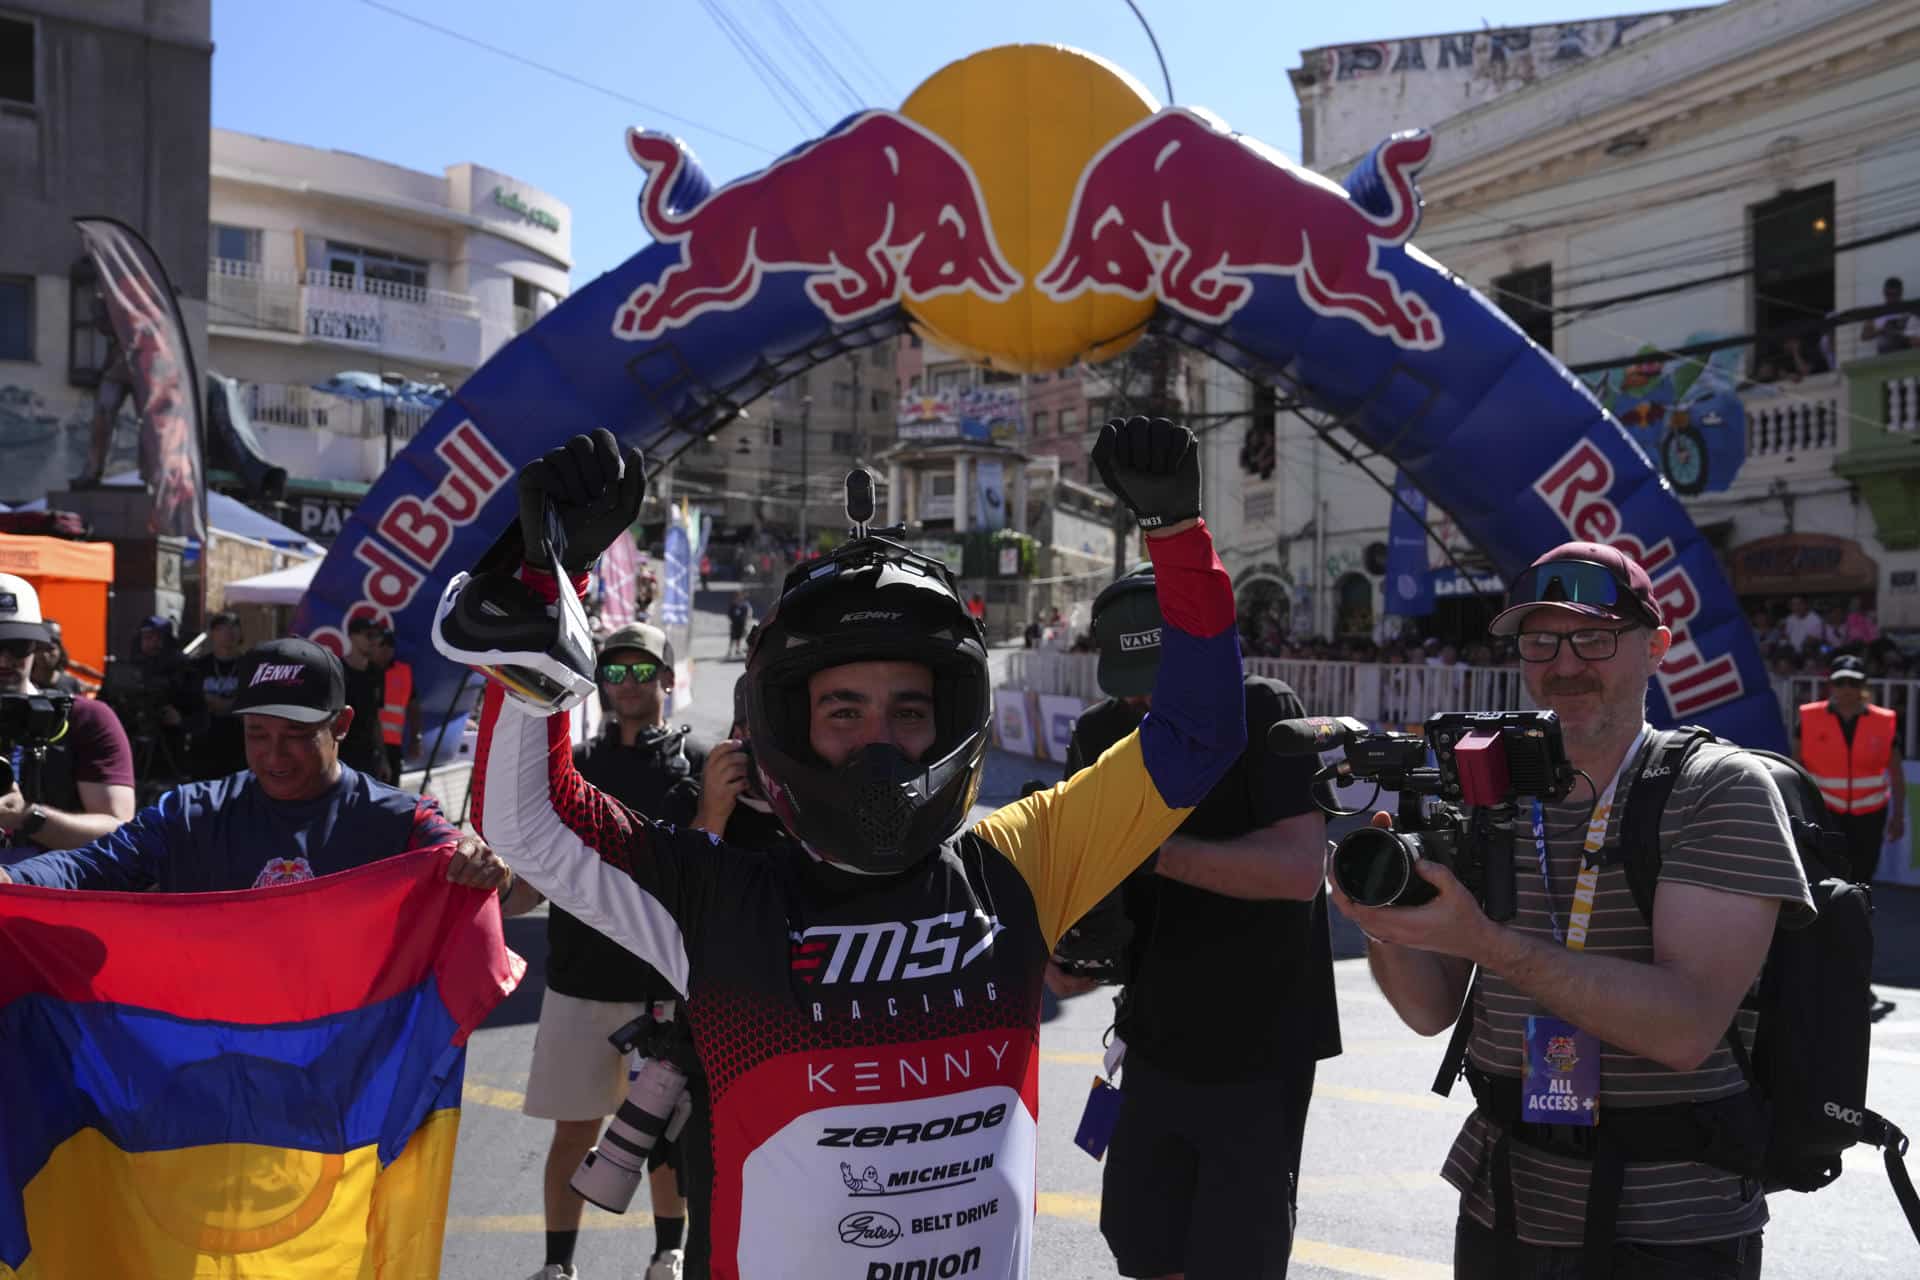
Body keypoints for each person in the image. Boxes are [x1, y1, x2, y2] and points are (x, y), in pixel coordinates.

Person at [463, 420, 1244, 1278]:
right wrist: (546, 581)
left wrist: (1178, 540)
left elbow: (1198, 738)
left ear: (949, 723)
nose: (881, 743)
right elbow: (525, 817)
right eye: (844, 713)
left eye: (908, 712)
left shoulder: (1020, 863)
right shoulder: (714, 897)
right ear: (787, 726)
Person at [1334, 541, 1813, 1277]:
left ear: (1654, 648)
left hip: (1668, 1223)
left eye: (1593, 637)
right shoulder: (1492, 793)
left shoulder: (1717, 790)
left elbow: (1685, 1027)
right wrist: (1383, 917)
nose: (1563, 664)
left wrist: (1490, 943)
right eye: (1540, 640)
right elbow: (1430, 1010)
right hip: (1504, 1201)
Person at [1055, 566, 1340, 1280]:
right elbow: (1079, 906)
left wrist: (1147, 853)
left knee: (1233, 1260)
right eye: (1128, 678)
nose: (1141, 699)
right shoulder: (1098, 733)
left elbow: (1299, 870)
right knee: (1142, 1248)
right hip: (1150, 1040)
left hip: (1259, 1053)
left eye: (1158, 677)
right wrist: (1063, 939)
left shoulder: (1266, 712)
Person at [0, 638, 518, 897]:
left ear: (341, 725)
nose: (274, 756)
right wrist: (8, 878)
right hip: (215, 1065)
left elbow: (501, 892)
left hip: (339, 1076)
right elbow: (86, 868)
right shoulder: (190, 814)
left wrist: (487, 867)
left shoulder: (399, 821)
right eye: (257, 734)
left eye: (297, 737)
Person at [523, 622, 705, 1280]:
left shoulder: (700, 766)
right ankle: (557, 1266)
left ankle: (668, 1254)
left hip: (664, 988)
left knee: (665, 1141)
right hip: (577, 980)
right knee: (573, 1132)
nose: (626, 685)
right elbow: (527, 882)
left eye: (640, 671)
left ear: (666, 678)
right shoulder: (569, 772)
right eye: (614, 672)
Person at [0, 575, 136, 858]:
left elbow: (120, 831)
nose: (4, 660)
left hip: (49, 893)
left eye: (17, 646)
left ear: (36, 648)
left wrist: (29, 818)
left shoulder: (85, 719)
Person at [1799, 654, 1904, 885]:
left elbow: (1896, 773)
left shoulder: (1884, 721)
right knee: (1827, 877)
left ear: (1862, 686)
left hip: (1871, 815)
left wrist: (1898, 816)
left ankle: (1860, 917)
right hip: (1825, 812)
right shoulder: (1808, 717)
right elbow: (1796, 768)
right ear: (1831, 685)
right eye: (1840, 682)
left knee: (1863, 876)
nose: (1846, 688)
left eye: (1853, 682)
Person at [189, 610, 249, 780]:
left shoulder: (249, 666)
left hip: (238, 745)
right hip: (205, 745)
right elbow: (191, 701)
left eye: (234, 627)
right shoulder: (198, 667)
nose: (229, 633)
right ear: (213, 633)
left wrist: (229, 705)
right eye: (223, 628)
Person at [340, 616, 390, 782]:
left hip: (368, 756)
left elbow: (376, 718)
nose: (374, 641)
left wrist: (383, 758)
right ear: (352, 637)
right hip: (342, 755)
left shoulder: (376, 673)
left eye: (377, 636)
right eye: (369, 635)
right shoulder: (337, 670)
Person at [375, 626, 420, 781]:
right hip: (366, 744)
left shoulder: (404, 672)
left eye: (390, 645)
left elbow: (414, 708)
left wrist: (415, 739)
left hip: (392, 745)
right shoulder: (362, 670)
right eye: (382, 645)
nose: (386, 649)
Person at [1862, 276, 1915, 354]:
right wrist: (1882, 331)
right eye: (1889, 294)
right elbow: (1864, 336)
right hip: (1884, 357)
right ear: (1884, 292)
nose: (1891, 298)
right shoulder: (1876, 313)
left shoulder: (1909, 312)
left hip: (1906, 355)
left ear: (1901, 293)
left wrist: (1903, 332)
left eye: (1895, 294)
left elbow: (1915, 337)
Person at [31, 619, 84, 695]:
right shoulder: (23, 683)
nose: (44, 654)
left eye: (50, 649)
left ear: (60, 651)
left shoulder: (71, 684)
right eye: (39, 648)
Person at [725, 591, 752, 660]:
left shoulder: (744, 605)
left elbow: (747, 614)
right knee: (732, 637)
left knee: (739, 637)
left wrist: (745, 621)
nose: (738, 598)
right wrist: (732, 619)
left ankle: (737, 649)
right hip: (734, 623)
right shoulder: (733, 605)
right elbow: (729, 613)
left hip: (741, 623)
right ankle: (730, 650)